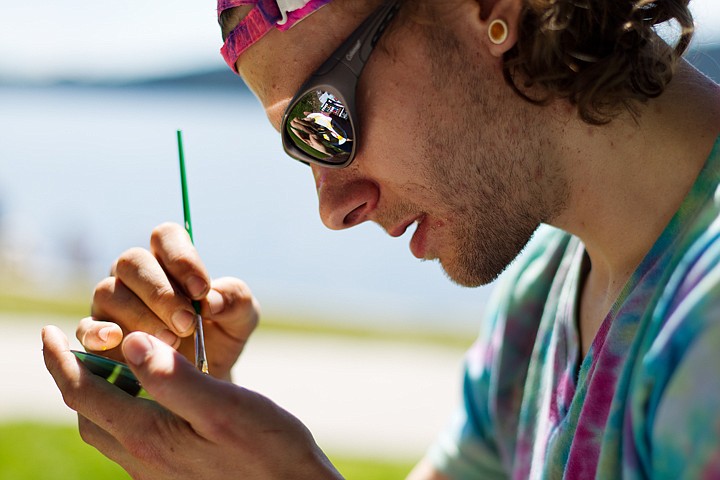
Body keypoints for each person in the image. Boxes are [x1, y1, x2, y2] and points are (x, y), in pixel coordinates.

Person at [42, 0, 720, 478]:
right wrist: (207, 428)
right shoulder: (545, 289)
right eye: (305, 149)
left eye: (325, 114)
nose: (332, 209)